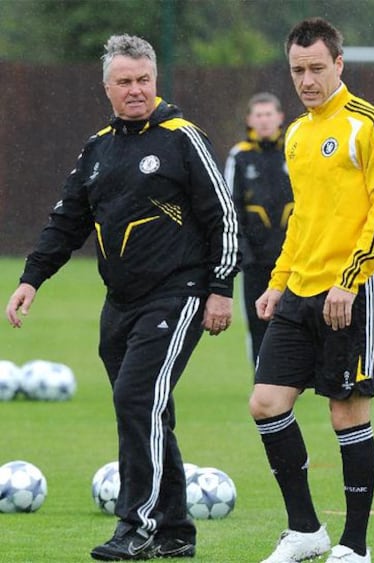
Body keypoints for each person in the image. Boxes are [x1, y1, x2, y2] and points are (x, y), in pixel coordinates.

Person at [5, 34, 240, 561]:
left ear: (155, 81)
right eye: (125, 82)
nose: (136, 91)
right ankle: (177, 530)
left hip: (177, 295)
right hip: (120, 303)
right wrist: (30, 279)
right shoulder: (98, 148)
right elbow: (67, 219)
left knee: (137, 399)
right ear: (107, 87)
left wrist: (220, 290)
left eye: (144, 81)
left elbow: (224, 216)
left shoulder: (183, 138)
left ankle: (138, 525)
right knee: (148, 411)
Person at [249, 17, 374, 563]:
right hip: (300, 293)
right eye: (298, 69)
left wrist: (351, 277)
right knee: (266, 404)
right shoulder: (295, 133)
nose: (307, 79)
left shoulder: (371, 124)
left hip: (352, 292)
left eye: (317, 68)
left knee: (347, 415)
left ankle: (354, 547)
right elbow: (302, 221)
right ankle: (305, 531)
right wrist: (277, 283)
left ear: (339, 63)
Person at [224, 93, 293, 368]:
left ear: (280, 117)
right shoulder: (240, 156)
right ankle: (263, 375)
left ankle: (295, 377)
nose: (264, 121)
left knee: (295, 320)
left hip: (293, 259)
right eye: (259, 115)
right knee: (259, 321)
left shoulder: (294, 150)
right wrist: (243, 252)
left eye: (269, 114)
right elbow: (231, 207)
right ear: (250, 120)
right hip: (255, 259)